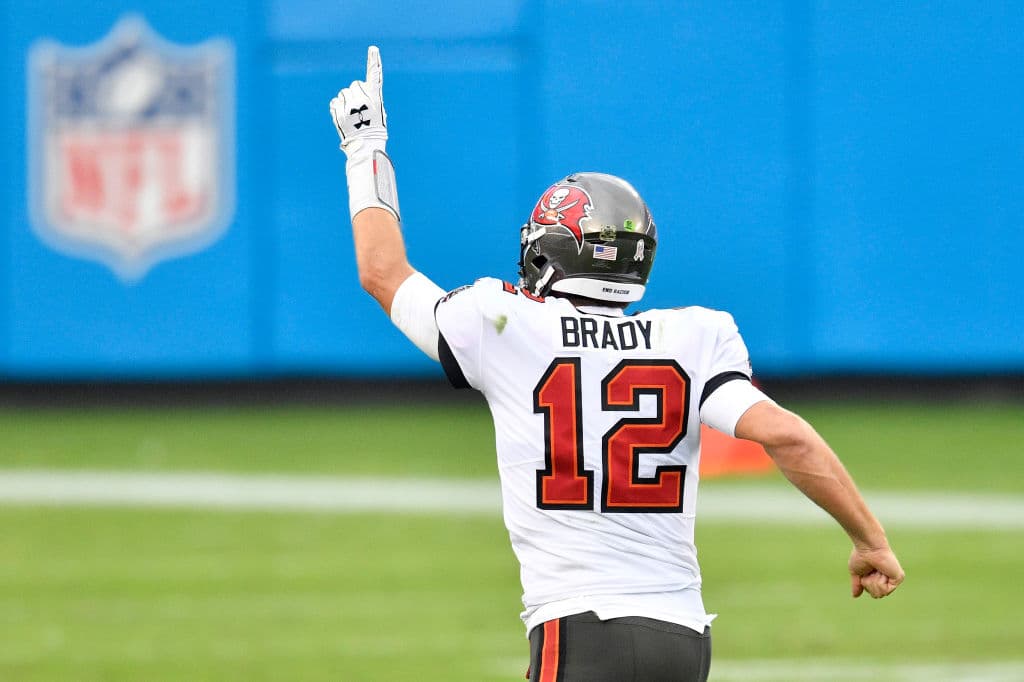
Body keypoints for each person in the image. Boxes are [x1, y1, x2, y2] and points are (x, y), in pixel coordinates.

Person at [329, 46, 904, 682]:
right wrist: (869, 538)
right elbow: (787, 434)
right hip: (683, 637)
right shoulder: (695, 336)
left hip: (578, 627)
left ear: (550, 251)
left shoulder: (502, 321)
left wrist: (365, 151)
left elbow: (382, 272)